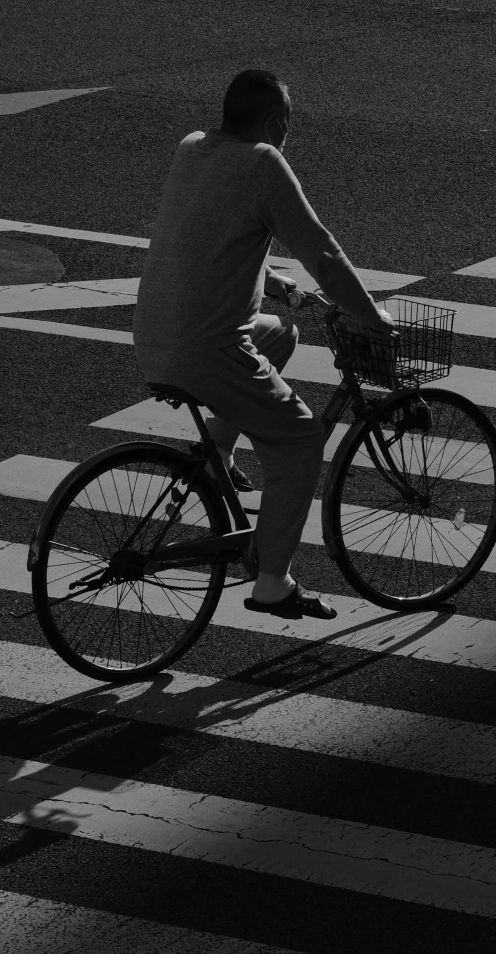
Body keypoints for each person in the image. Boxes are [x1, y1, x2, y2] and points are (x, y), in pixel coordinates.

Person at [133, 68, 394, 620]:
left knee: (279, 336)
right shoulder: (263, 162)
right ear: (274, 123)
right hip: (207, 347)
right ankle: (273, 582)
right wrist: (370, 318)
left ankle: (217, 461)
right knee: (301, 444)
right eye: (287, 128)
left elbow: (207, 236)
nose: (287, 139)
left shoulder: (193, 147)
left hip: (156, 331)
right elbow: (322, 251)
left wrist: (277, 284)